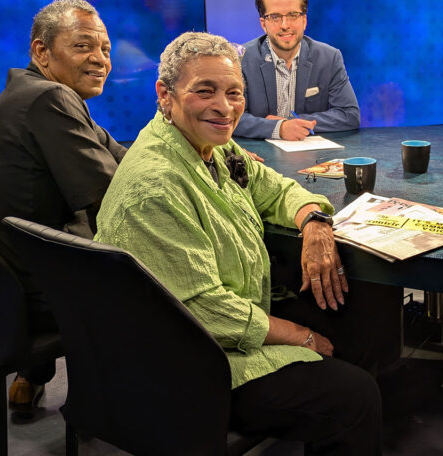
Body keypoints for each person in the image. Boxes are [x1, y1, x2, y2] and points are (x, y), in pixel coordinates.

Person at [95, 32, 381, 454]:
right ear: (165, 95)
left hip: (230, 319)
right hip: (191, 363)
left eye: (234, 93)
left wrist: (316, 223)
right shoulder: (155, 187)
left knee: (361, 320)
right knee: (353, 395)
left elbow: (276, 188)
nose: (224, 107)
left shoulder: (212, 146)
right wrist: (300, 336)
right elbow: (201, 310)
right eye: (204, 91)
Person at [0, 0, 126, 415]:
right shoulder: (49, 100)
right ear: (41, 50)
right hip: (33, 290)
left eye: (106, 49)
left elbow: (121, 157)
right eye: (83, 46)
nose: (100, 60)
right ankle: (126, 407)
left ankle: (32, 375)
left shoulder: (32, 87)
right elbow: (111, 203)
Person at [233, 0, 361, 140]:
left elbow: (349, 115)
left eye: (293, 15)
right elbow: (231, 117)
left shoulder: (329, 58)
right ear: (263, 23)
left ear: (304, 20)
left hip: (312, 156)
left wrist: (292, 123)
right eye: (275, 17)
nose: (285, 25)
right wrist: (278, 129)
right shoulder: (241, 59)